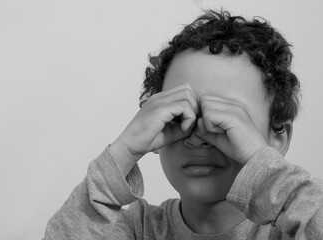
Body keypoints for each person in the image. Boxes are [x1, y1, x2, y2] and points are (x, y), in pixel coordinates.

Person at [43, 9, 323, 239]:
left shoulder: (290, 231)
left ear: (278, 137)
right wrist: (124, 151)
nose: (199, 137)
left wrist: (263, 166)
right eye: (178, 115)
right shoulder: (136, 231)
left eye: (226, 117)